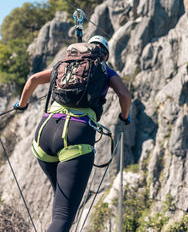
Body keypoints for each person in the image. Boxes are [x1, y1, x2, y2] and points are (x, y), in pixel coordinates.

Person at [13, 35, 131, 232]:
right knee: (63, 216)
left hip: (45, 132)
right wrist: (124, 117)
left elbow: (33, 79)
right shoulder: (105, 70)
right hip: (76, 136)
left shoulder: (63, 65)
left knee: (60, 205)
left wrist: (22, 104)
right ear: (105, 54)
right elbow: (125, 95)